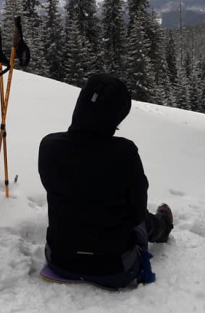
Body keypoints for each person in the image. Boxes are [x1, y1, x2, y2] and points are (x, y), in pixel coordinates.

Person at [38, 74, 174, 289]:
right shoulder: (124, 153)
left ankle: (159, 225)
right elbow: (136, 211)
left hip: (59, 260)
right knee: (140, 222)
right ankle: (162, 226)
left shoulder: (49, 146)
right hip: (114, 267)